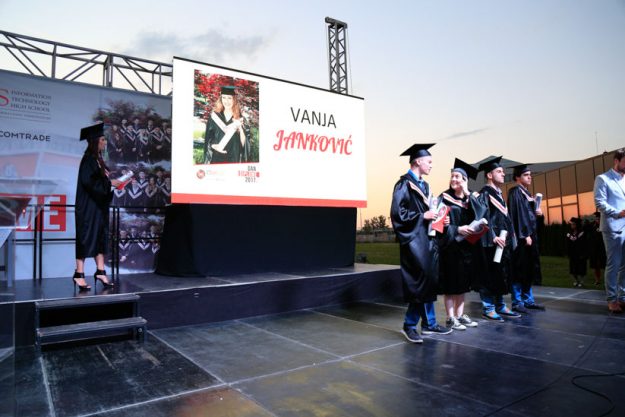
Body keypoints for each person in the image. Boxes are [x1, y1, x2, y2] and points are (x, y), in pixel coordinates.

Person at [391, 143, 452, 344]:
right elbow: (397, 214)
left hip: (428, 241)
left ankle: (429, 323)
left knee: (429, 281)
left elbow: (431, 214)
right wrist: (422, 216)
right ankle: (409, 325)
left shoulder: (425, 186)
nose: (432, 165)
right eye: (429, 161)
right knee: (419, 283)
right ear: (418, 161)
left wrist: (442, 220)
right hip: (414, 242)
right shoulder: (403, 184)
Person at [437, 158, 485, 330]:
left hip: (467, 247)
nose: (454, 179)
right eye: (452, 176)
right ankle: (450, 318)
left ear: (465, 180)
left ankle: (459, 315)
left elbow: (481, 213)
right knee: (451, 283)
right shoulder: (444, 198)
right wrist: (457, 229)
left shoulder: (472, 197)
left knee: (463, 283)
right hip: (450, 246)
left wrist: (467, 192)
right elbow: (438, 223)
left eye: (458, 176)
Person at [73, 123, 120, 291]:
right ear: (94, 141)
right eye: (102, 140)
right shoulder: (88, 160)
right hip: (87, 208)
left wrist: (112, 184)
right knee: (85, 238)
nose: (105, 142)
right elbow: (89, 183)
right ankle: (79, 274)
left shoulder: (98, 160)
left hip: (98, 207)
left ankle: (100, 271)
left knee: (100, 237)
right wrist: (110, 184)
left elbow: (100, 183)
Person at [475, 156, 521, 321]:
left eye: (503, 171)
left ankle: (500, 305)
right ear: (489, 175)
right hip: (490, 243)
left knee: (500, 275)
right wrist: (492, 237)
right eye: (499, 171)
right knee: (489, 275)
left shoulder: (499, 194)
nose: (503, 174)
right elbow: (481, 218)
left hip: (502, 243)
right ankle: (488, 308)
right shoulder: (484, 194)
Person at [507, 164, 546, 312]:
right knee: (519, 269)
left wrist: (540, 214)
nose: (530, 177)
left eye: (530, 174)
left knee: (528, 269)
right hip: (522, 238)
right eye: (526, 175)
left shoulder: (527, 194)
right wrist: (525, 235)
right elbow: (516, 216)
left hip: (531, 237)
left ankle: (528, 300)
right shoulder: (515, 192)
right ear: (517, 177)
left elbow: (530, 217)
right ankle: (517, 302)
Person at [593, 148, 625, 313]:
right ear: (616, 161)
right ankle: (612, 299)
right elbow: (600, 202)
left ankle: (623, 297)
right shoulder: (603, 179)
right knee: (614, 264)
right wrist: (618, 213)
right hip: (613, 228)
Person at [203, 86, 250, 164]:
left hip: (233, 158)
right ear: (221, 99)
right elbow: (208, 139)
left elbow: (244, 144)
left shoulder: (241, 119)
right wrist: (212, 146)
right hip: (216, 157)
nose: (226, 101)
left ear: (234, 99)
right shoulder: (214, 117)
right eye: (224, 97)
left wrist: (240, 128)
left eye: (229, 98)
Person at [566, 217, 587, 287]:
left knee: (581, 268)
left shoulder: (582, 233)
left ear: (577, 225)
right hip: (572, 254)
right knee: (573, 268)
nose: (572, 225)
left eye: (574, 224)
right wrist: (568, 252)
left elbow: (584, 244)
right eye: (571, 224)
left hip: (580, 253)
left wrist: (584, 253)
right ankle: (576, 281)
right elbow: (568, 244)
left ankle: (582, 281)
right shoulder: (569, 234)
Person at [588, 212, 606, 286]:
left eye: (598, 218)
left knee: (605, 264)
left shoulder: (604, 225)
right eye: (596, 218)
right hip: (594, 248)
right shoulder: (592, 225)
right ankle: (597, 280)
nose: (597, 220)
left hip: (603, 248)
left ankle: (607, 279)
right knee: (595, 265)